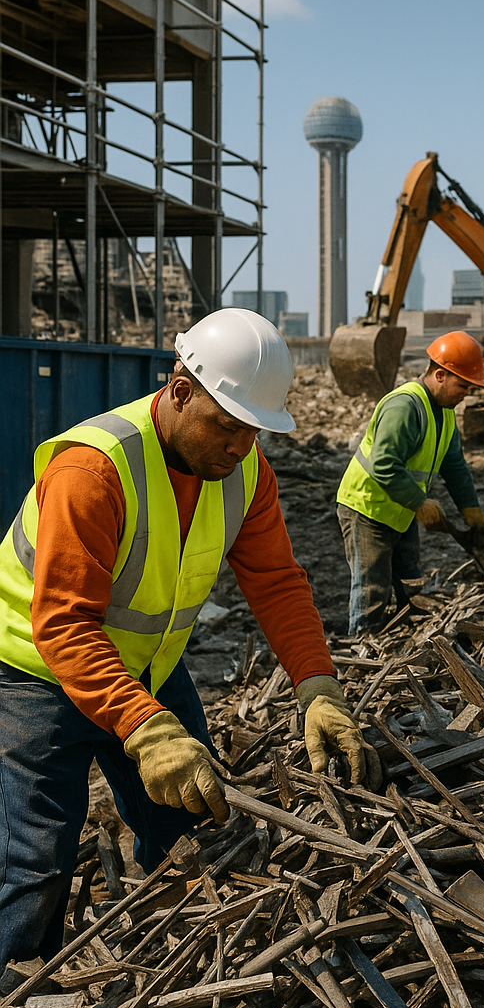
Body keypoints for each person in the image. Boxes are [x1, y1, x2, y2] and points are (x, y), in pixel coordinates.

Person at [0, 307, 381, 967]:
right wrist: (146, 728)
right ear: (179, 390)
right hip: (39, 672)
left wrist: (318, 686)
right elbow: (63, 623)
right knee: (35, 863)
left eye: (254, 431)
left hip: (146, 663)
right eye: (227, 425)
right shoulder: (94, 471)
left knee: (193, 822)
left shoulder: (246, 472)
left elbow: (277, 582)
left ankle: (165, 964)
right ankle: (16, 984)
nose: (239, 446)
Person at [336, 330, 484, 635]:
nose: (466, 394)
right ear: (439, 375)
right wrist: (419, 503)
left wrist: (471, 510)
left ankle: (407, 644)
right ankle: (361, 654)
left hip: (399, 509)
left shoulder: (445, 413)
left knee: (410, 581)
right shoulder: (405, 407)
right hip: (367, 507)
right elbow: (384, 464)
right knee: (372, 589)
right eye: (463, 385)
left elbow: (455, 466)